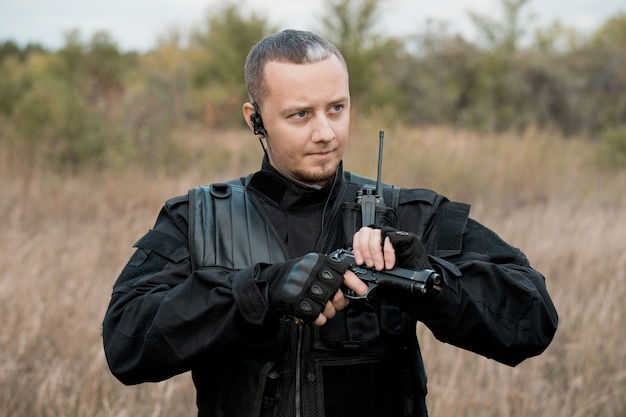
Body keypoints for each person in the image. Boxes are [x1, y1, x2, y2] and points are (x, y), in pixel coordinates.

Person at [102, 29, 558, 417]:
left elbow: (532, 320)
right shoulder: (197, 218)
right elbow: (125, 344)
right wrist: (258, 292)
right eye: (300, 114)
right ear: (255, 120)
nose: (325, 132)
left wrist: (433, 281)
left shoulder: (411, 213)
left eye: (336, 108)